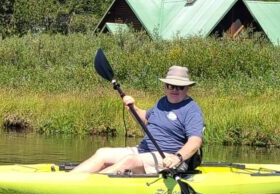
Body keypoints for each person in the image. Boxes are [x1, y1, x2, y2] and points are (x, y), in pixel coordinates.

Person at [72, 65, 204, 174]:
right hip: (143, 151)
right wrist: (133, 108)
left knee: (129, 161)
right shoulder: (162, 102)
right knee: (102, 153)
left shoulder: (192, 110)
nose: (175, 90)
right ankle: (70, 179)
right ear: (165, 86)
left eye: (180, 87)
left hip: (168, 158)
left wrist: (177, 157)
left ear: (187, 88)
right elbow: (146, 120)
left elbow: (195, 142)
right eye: (171, 86)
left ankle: (88, 185)